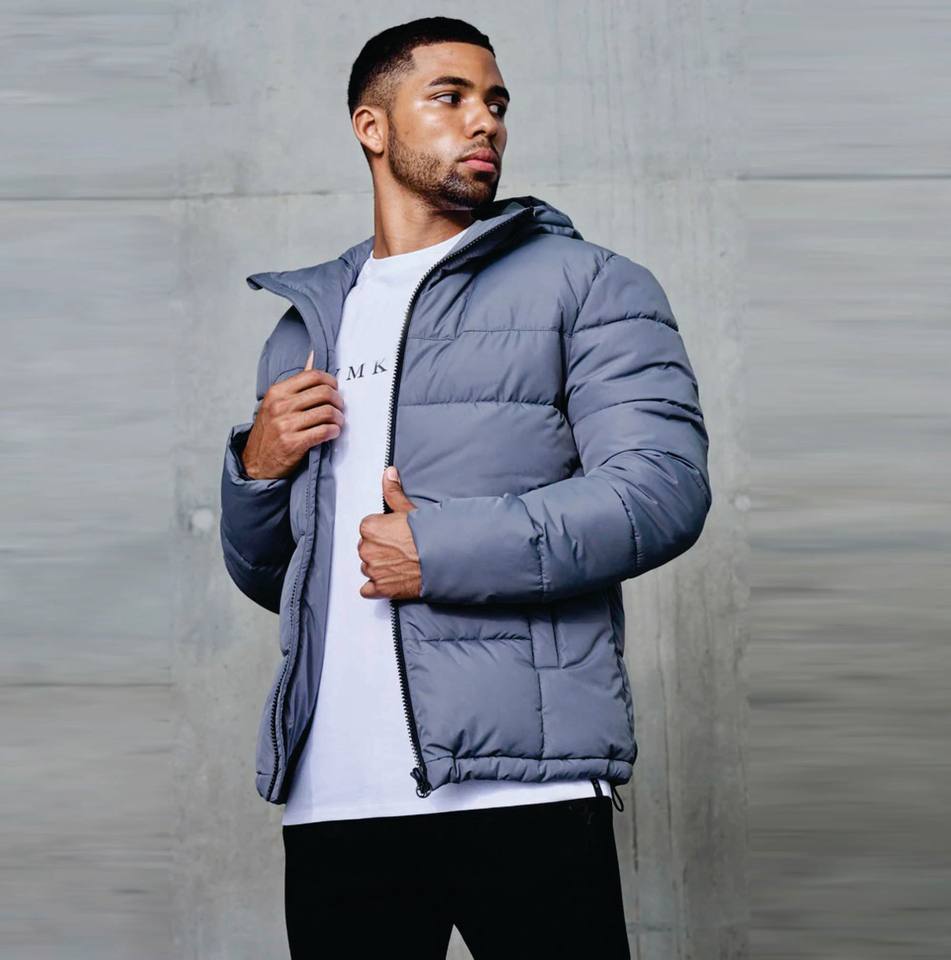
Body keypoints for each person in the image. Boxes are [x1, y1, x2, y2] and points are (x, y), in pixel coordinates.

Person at [219, 16, 712, 959]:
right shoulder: (305, 326)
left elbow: (660, 491)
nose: (483, 121)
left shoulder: (590, 284)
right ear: (371, 126)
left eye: (495, 103)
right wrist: (257, 470)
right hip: (335, 798)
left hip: (521, 787)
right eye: (448, 98)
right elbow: (279, 580)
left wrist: (437, 549)